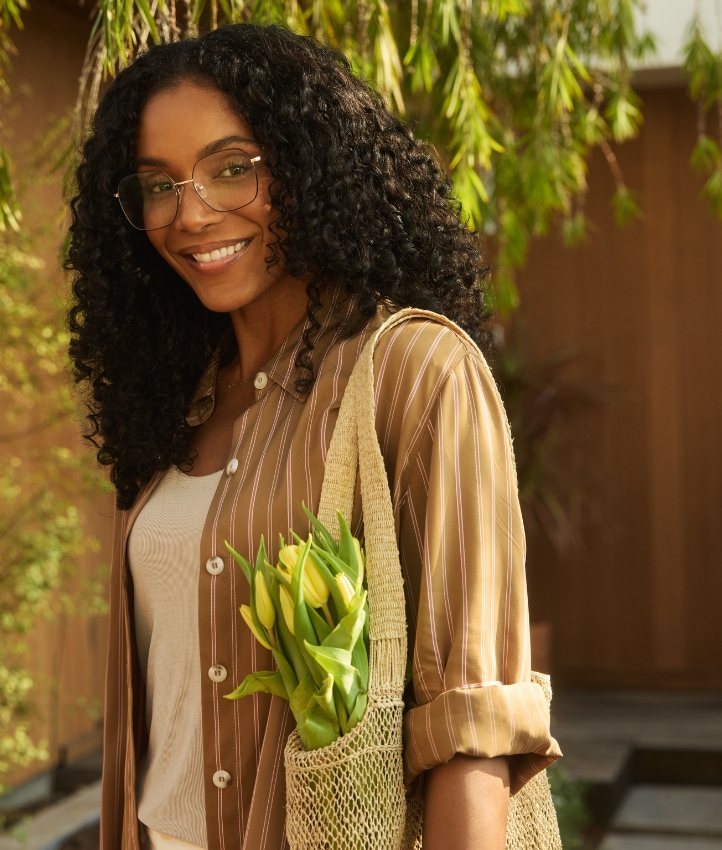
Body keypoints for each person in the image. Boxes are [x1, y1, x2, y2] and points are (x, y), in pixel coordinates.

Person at [66, 23, 561, 850]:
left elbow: (474, 724)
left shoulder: (415, 372)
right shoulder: (171, 403)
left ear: (310, 166)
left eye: (233, 168)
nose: (190, 214)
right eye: (158, 184)